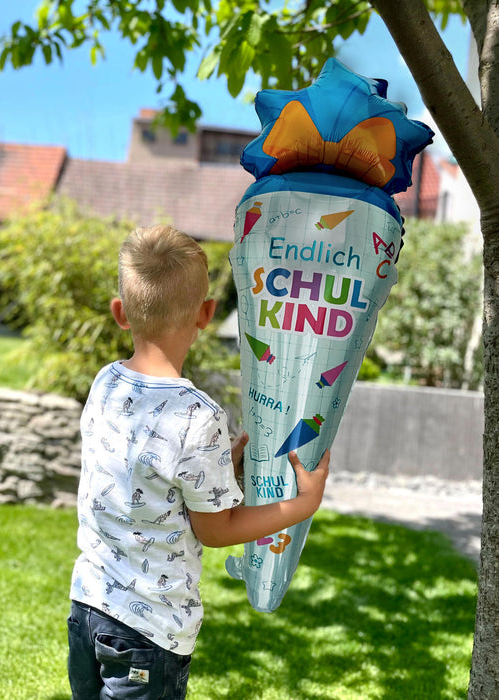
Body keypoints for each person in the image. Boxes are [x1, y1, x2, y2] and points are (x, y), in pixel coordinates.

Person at [67, 224, 329, 699]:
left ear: (120, 313)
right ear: (207, 313)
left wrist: (221, 465)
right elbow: (216, 530)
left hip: (88, 607)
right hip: (148, 633)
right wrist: (301, 505)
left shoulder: (106, 383)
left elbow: (145, 473)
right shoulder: (198, 416)